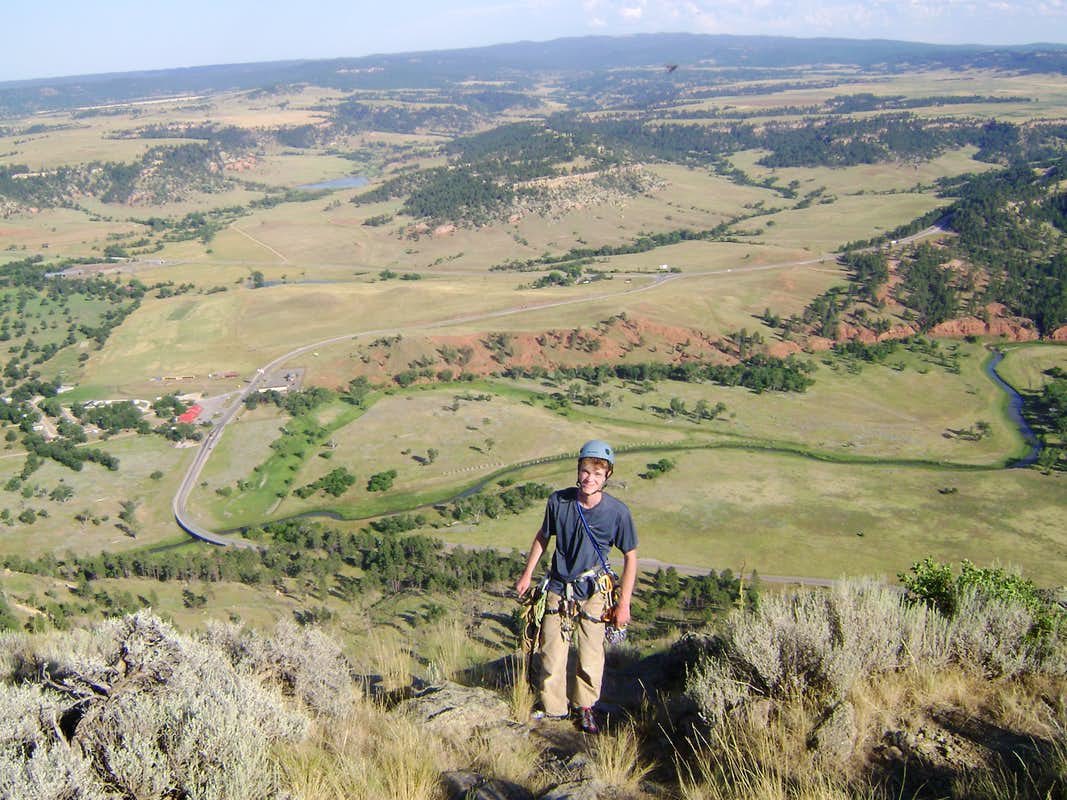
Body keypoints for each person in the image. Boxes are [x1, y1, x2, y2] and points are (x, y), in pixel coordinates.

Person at [515, 439, 638, 734]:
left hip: (593, 591)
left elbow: (630, 557)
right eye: (585, 471)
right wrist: (527, 574)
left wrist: (624, 604)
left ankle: (585, 707)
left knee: (590, 653)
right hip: (559, 585)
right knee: (551, 651)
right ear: (578, 470)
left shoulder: (617, 513)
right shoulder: (559, 502)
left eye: (597, 473)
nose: (589, 478)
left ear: (607, 476)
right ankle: (553, 708)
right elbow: (543, 536)